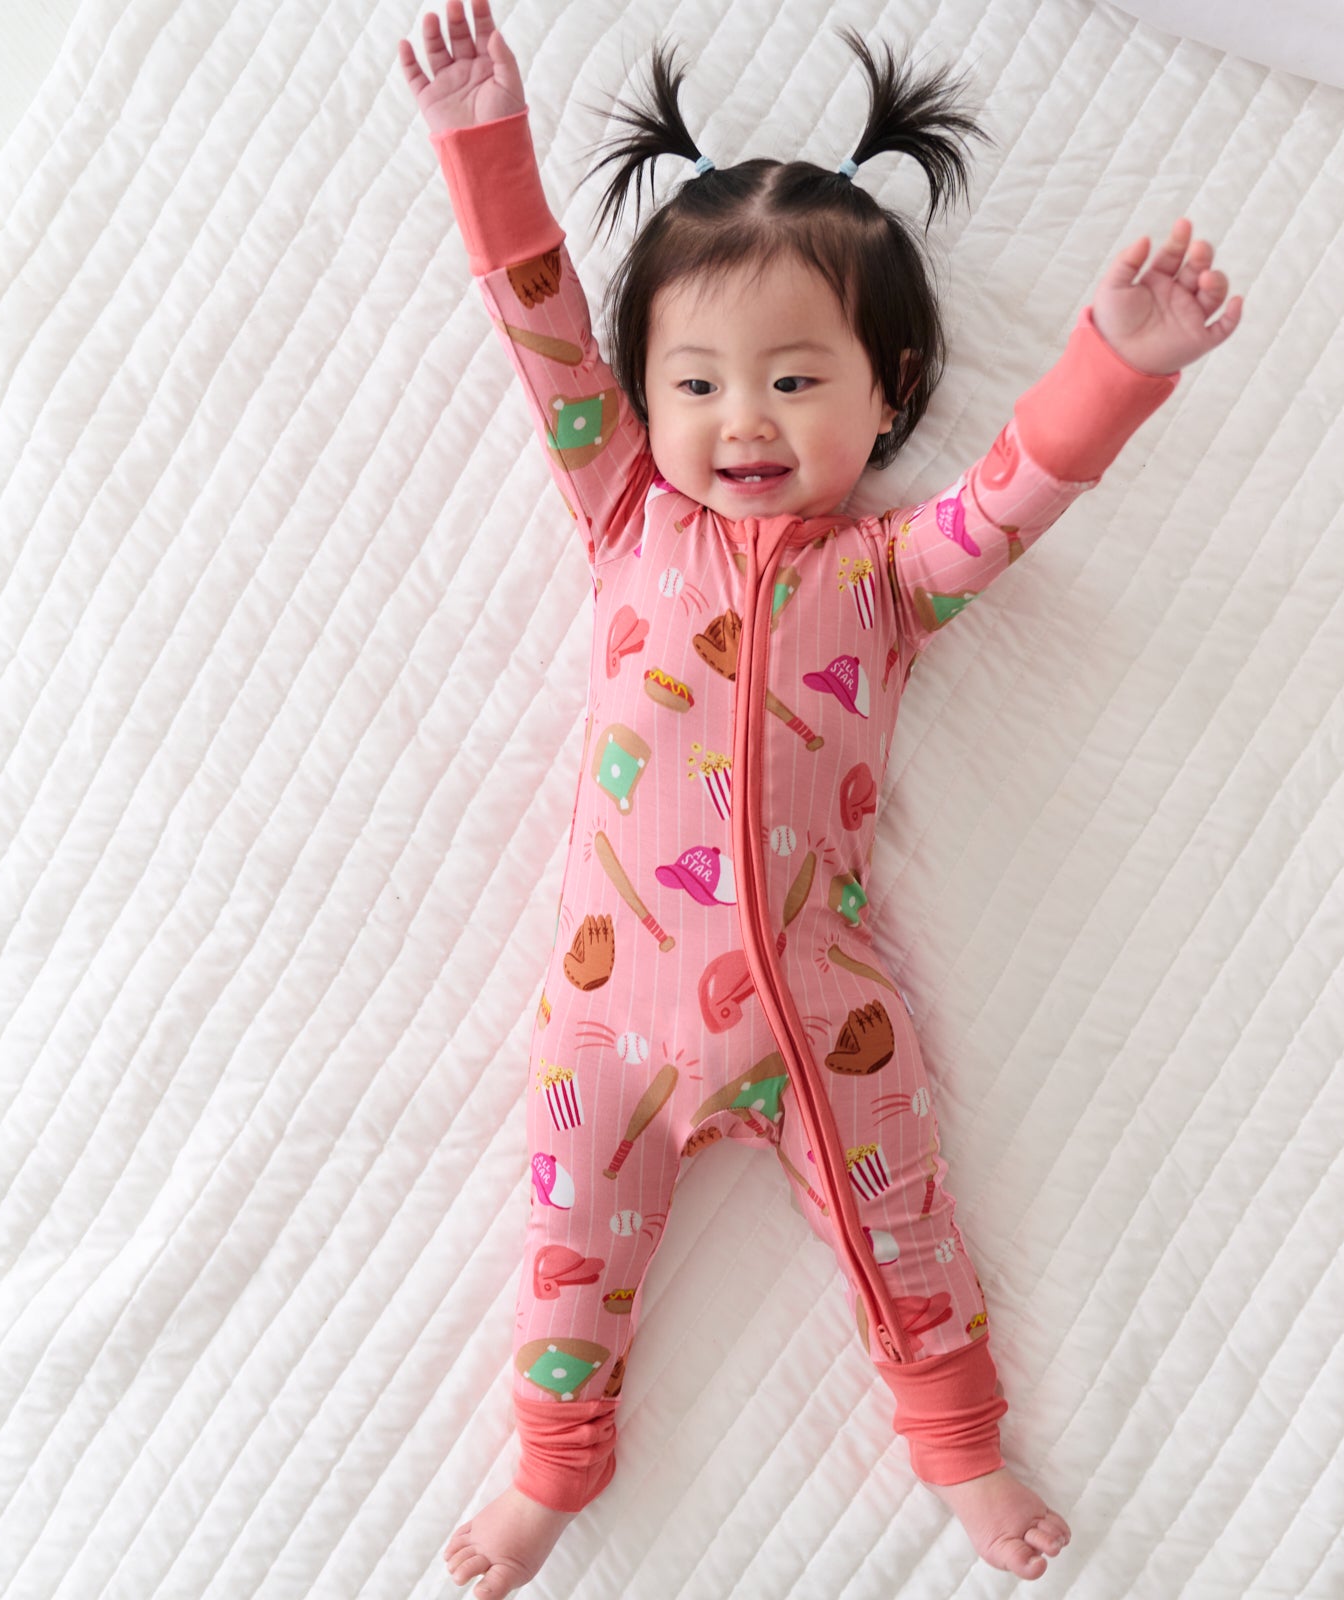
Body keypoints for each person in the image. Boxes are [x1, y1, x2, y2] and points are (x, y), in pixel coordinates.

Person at [398, 1, 1243, 1591]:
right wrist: (483, 141)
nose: (746, 422)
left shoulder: (890, 575)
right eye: (699, 382)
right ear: (644, 402)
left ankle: (965, 1456)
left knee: (909, 1235)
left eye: (796, 380)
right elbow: (540, 327)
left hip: (825, 1013)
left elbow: (1013, 499)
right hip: (609, 1019)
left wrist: (1111, 367)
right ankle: (551, 1463)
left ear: (887, 390)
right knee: (565, 1268)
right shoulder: (624, 519)